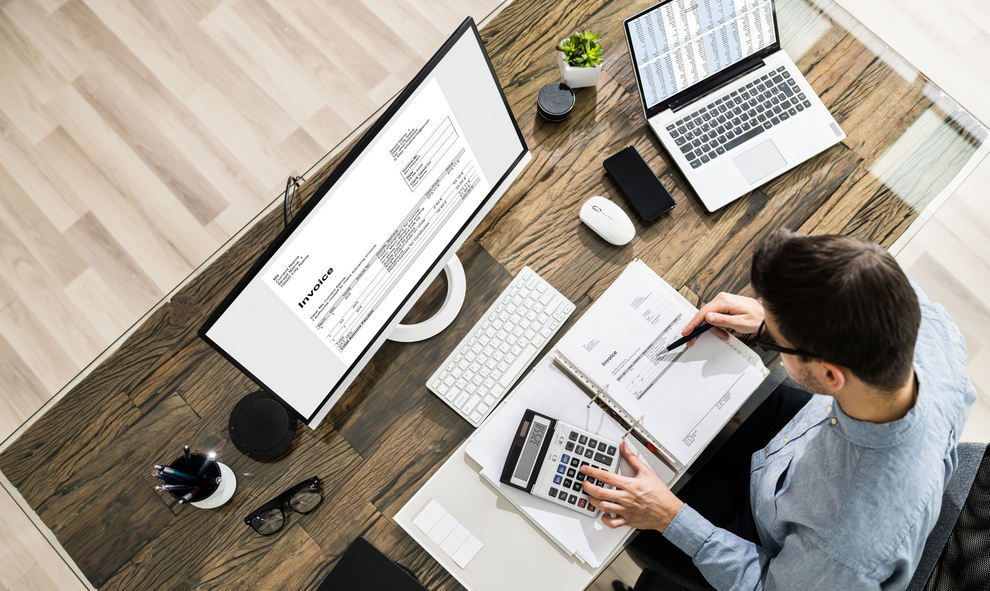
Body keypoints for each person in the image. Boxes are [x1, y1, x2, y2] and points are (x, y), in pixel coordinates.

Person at [583, 229, 977, 590]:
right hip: (800, 438)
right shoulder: (926, 326)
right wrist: (773, 320)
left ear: (830, 374)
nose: (772, 334)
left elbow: (766, 586)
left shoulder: (845, 542)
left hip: (767, 541)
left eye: (782, 342)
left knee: (624, 504)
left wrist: (669, 517)